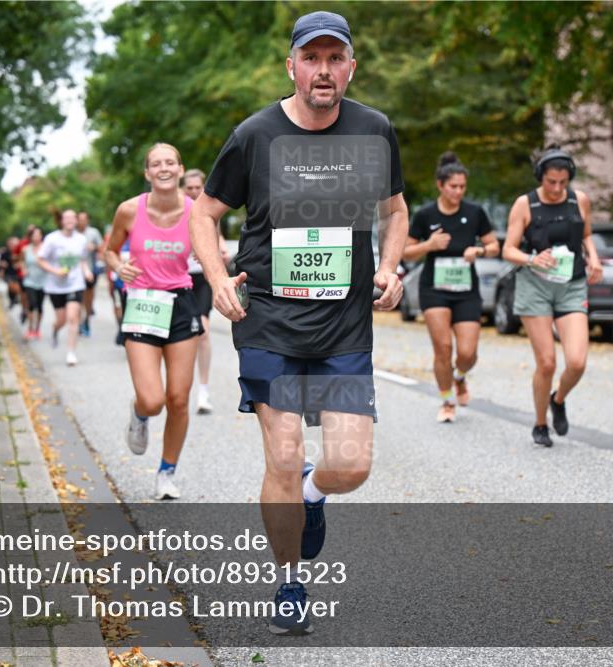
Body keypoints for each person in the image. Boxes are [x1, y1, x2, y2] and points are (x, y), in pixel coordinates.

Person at [190, 11, 407, 636]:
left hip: (343, 325)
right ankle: (290, 583)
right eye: (311, 58)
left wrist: (389, 268)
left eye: (335, 58)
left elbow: (395, 212)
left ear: (351, 67)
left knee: (351, 467)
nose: (323, 70)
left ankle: (314, 491)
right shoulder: (255, 134)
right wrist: (216, 277)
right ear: (291, 66)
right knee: (283, 455)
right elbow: (204, 214)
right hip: (270, 319)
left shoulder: (373, 130)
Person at [105, 143, 204, 501]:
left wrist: (212, 257)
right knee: (152, 400)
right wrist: (119, 267)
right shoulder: (129, 210)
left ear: (180, 169)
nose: (163, 168)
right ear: (147, 173)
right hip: (143, 304)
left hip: (181, 303)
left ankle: (166, 472)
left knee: (178, 398)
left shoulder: (196, 210)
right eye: (156, 164)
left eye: (170, 162)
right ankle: (139, 413)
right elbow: (109, 250)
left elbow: (210, 249)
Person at [502, 145, 603, 447]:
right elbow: (508, 250)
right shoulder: (525, 204)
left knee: (577, 362)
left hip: (571, 284)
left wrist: (594, 258)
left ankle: (557, 400)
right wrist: (532, 259)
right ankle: (540, 423)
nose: (557, 189)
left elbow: (586, 234)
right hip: (535, 286)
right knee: (546, 362)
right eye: (551, 182)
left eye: (563, 182)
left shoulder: (579, 200)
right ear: (540, 177)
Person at [402, 152, 500, 423]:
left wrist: (479, 251)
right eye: (453, 186)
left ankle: (459, 376)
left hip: (466, 290)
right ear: (440, 185)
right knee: (443, 348)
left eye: (462, 187)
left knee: (467, 353)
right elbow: (405, 251)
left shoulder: (474, 212)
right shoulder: (425, 215)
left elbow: (494, 246)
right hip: (434, 289)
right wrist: (429, 245)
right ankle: (447, 401)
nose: (458, 191)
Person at [183, 168, 230, 414]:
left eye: (197, 187)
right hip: (178, 277)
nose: (193, 192)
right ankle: (178, 389)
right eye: (189, 188)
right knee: (180, 336)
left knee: (203, 331)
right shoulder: (176, 210)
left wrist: (221, 248)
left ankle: (203, 391)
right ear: (182, 189)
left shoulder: (209, 207)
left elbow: (216, 233)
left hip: (201, 278)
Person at [38, 209, 91, 366]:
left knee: (73, 318)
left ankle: (71, 352)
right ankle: (55, 329)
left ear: (76, 221)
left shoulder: (81, 239)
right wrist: (56, 271)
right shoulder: (52, 239)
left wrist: (87, 271)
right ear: (61, 221)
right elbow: (40, 259)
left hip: (75, 284)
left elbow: (82, 260)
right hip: (55, 286)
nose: (69, 220)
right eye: (66, 218)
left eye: (72, 218)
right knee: (61, 320)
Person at [78, 211, 105, 337]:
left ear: (87, 220)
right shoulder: (73, 233)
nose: (82, 222)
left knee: (88, 297)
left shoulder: (93, 232)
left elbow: (102, 248)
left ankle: (86, 320)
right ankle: (79, 322)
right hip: (76, 272)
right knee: (78, 298)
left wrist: (94, 247)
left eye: (84, 219)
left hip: (91, 270)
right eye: (80, 219)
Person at [22, 226, 46, 340]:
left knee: (40, 306)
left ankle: (37, 329)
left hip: (43, 281)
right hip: (29, 280)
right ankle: (30, 328)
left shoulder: (46, 248)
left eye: (38, 235)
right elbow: (21, 261)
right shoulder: (25, 249)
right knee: (32, 304)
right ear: (30, 237)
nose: (36, 237)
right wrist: (23, 269)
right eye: (34, 235)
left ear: (41, 236)